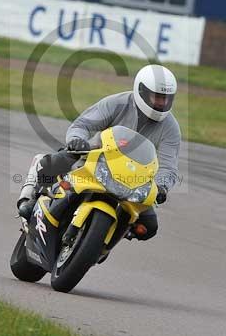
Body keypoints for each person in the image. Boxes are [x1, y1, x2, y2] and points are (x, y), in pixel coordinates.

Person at [16, 64, 181, 241]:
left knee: (149, 227)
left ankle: (110, 235)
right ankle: (32, 197)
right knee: (53, 162)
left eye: (166, 98)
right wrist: (76, 140)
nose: (162, 103)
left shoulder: (171, 128)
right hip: (97, 159)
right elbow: (82, 125)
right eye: (157, 97)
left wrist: (162, 186)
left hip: (135, 180)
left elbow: (168, 165)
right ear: (141, 91)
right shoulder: (116, 103)